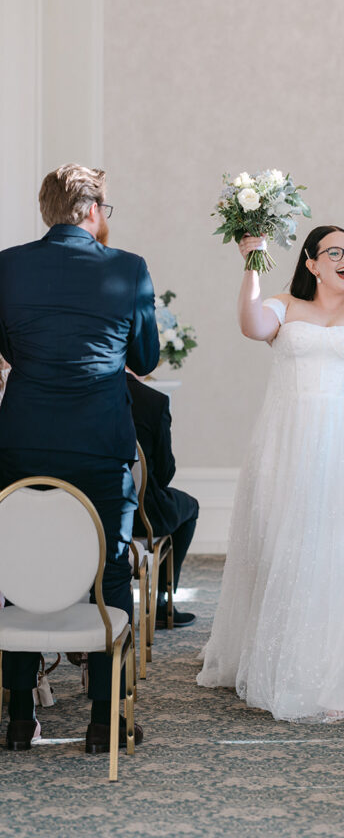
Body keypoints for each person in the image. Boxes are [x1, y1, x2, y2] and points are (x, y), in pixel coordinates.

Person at [198, 226, 344, 723]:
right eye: (334, 252)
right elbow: (252, 325)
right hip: (286, 439)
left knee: (343, 551)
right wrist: (252, 262)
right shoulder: (283, 305)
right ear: (312, 263)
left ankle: (339, 670)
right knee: (285, 546)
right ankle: (280, 660)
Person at [0, 164, 159, 753]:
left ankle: (19, 719)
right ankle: (105, 722)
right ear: (93, 212)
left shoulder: (7, 265)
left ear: (49, 210)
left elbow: (7, 345)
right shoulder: (128, 268)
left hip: (21, 439)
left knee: (16, 568)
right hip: (98, 441)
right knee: (110, 569)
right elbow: (143, 357)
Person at [126, 373, 198, 628]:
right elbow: (165, 472)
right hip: (143, 517)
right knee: (191, 506)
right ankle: (162, 601)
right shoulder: (153, 401)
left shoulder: (84, 393)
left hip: (91, 513)